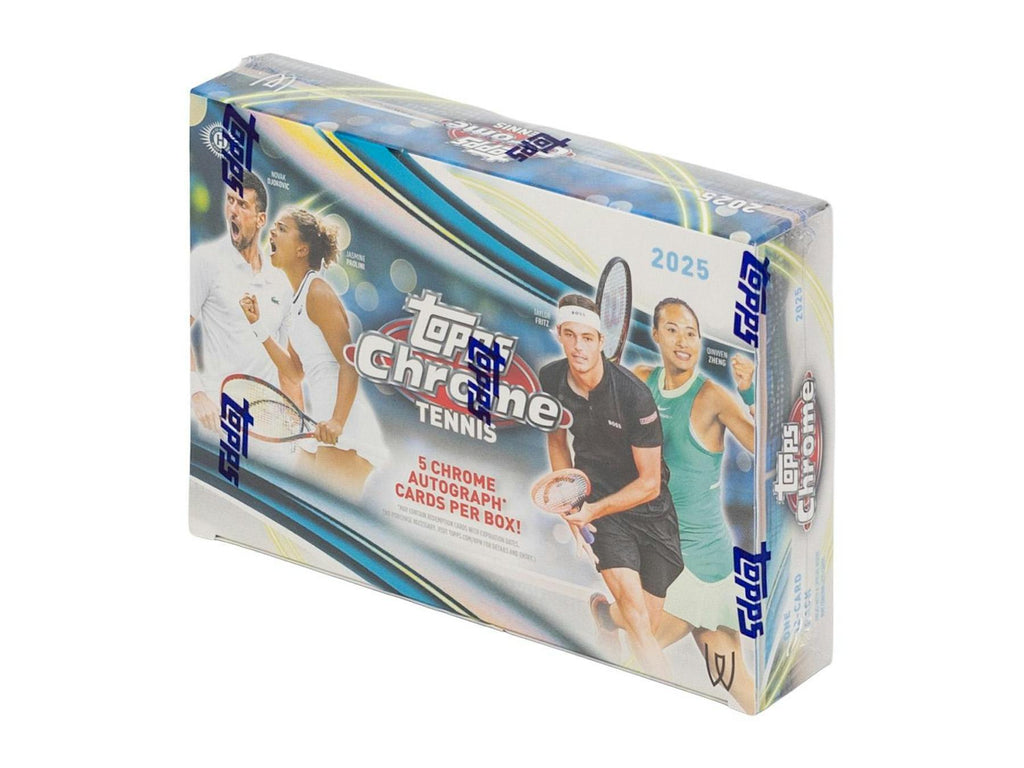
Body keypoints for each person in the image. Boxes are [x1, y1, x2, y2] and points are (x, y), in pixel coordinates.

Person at [592, 297, 757, 712]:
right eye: (672, 330)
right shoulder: (640, 380)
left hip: (706, 559)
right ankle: (610, 618)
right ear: (656, 335)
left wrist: (751, 393)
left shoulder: (713, 398)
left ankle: (608, 616)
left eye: (691, 333)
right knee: (642, 657)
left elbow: (765, 447)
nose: (683, 341)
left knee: (733, 678)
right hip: (662, 554)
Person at [539, 294, 684, 680]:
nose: (578, 346)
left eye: (587, 338)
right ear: (559, 334)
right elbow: (557, 440)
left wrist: (591, 511)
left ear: (602, 341)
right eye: (570, 335)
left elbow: (649, 484)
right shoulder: (551, 379)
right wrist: (570, 500)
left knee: (646, 621)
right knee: (638, 622)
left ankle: (604, 615)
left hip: (650, 509)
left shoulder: (635, 397)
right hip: (600, 504)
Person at [240, 209, 386, 500]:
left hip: (344, 424)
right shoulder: (295, 300)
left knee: (329, 517)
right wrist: (257, 325)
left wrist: (338, 421)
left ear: (302, 249)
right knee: (296, 508)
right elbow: (295, 372)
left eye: (282, 229)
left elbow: (349, 363)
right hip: (320, 423)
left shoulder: (317, 292)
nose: (272, 232)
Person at [190, 171, 298, 434]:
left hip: (265, 429)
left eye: (242, 204)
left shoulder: (281, 283)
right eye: (230, 201)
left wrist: (295, 431)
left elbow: (287, 370)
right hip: (217, 424)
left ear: (261, 219)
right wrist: (196, 392)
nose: (233, 210)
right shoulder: (205, 260)